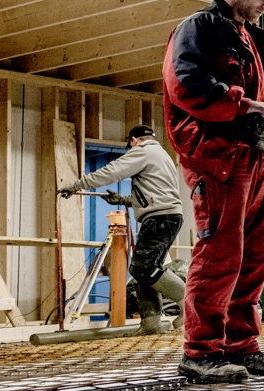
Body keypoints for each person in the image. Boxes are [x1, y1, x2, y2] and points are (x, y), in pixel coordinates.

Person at [162, 0, 264, 384]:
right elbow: (185, 84)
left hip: (257, 156)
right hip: (219, 156)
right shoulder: (199, 29)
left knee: (256, 256)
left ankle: (242, 344)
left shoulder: (254, 40)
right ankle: (201, 351)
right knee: (220, 254)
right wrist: (243, 103)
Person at [59, 126, 187, 335]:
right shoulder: (162, 155)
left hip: (159, 218)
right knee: (144, 268)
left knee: (143, 269)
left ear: (134, 140)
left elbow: (112, 171)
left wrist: (76, 185)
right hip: (167, 216)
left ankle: (191, 305)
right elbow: (155, 193)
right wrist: (123, 201)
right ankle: (151, 321)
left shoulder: (142, 151)